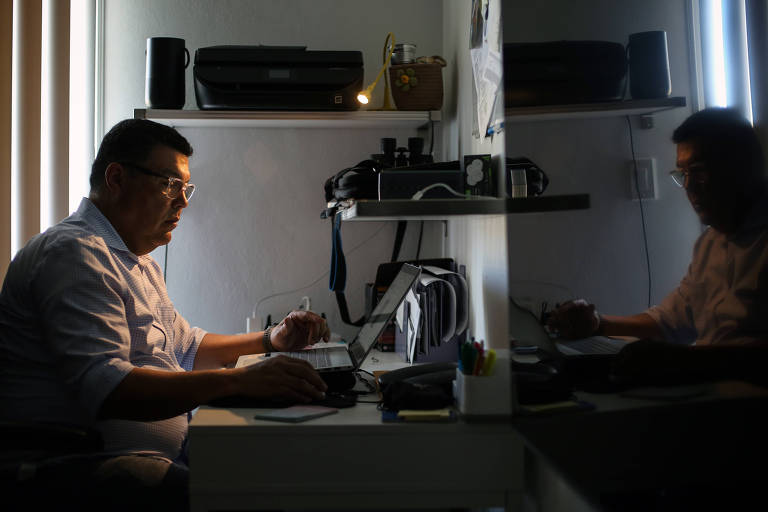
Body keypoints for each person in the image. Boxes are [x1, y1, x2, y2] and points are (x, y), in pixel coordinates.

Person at [0, 119, 330, 509]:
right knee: (253, 494)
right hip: (81, 466)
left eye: (185, 187)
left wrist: (270, 340)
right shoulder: (75, 254)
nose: (183, 201)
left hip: (146, 456)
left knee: (280, 473)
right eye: (170, 184)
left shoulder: (137, 262)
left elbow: (187, 347)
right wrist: (239, 381)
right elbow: (108, 390)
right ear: (117, 178)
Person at [547, 107, 768, 385]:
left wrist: (686, 360)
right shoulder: (709, 245)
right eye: (682, 173)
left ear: (740, 169)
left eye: (698, 172)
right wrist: (597, 324)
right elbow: (669, 322)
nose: (689, 187)